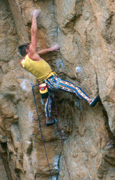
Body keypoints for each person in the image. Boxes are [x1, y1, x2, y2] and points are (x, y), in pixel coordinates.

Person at [18, 9, 100, 126]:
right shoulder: (31, 54)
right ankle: (89, 100)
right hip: (53, 80)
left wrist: (51, 49)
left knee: (50, 100)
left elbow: (37, 54)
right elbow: (33, 33)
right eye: (30, 47)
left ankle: (49, 119)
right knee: (74, 88)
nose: (32, 47)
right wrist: (34, 17)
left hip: (46, 85)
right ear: (27, 50)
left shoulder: (24, 62)